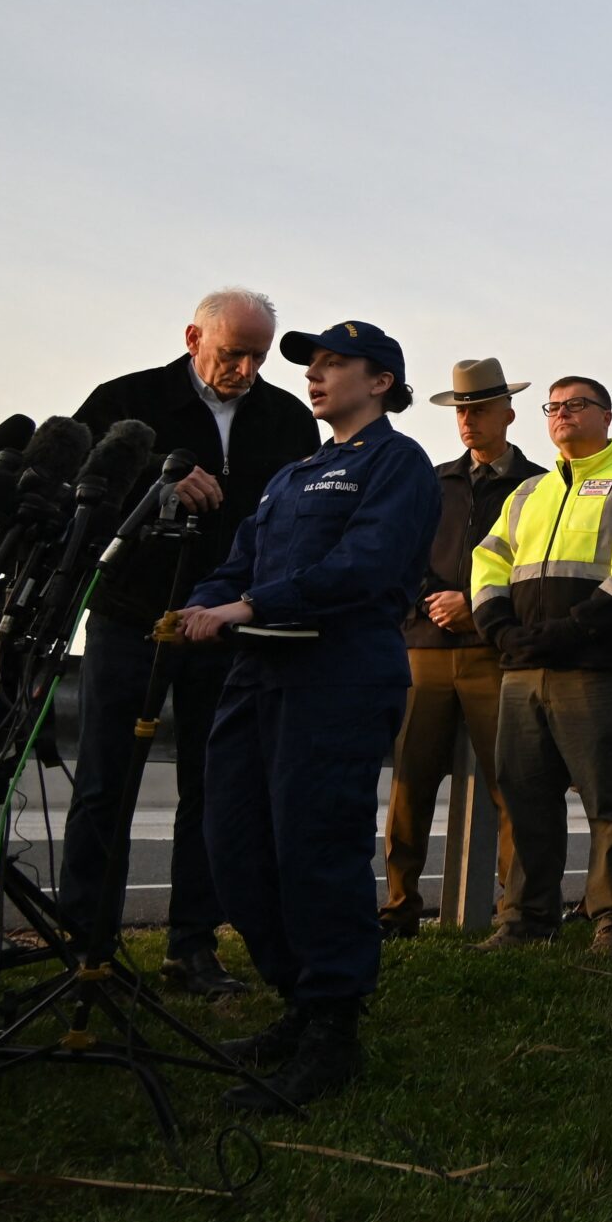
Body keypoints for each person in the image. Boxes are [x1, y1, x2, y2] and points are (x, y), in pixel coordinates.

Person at [176, 320, 440, 1111]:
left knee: (315, 844)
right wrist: (201, 603)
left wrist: (250, 603)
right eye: (313, 366)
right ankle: (298, 997)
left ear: (381, 380)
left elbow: (363, 566)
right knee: (235, 841)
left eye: (334, 364)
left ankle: (333, 1026)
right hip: (257, 673)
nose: (315, 377)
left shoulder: (398, 463)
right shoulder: (297, 473)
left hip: (337, 674)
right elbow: (236, 561)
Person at [61, 287, 318, 997]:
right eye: (232, 352)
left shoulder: (289, 419)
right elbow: (79, 488)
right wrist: (160, 479)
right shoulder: (125, 400)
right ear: (192, 337)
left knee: (215, 787)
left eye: (258, 356)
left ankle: (193, 946)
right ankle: (86, 945)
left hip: (228, 625)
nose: (244, 367)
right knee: (105, 782)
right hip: (131, 615)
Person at [468, 376, 612, 955]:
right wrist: (499, 629)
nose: (561, 415)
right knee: (525, 797)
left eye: (575, 405)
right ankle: (526, 919)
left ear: (607, 416)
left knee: (608, 802)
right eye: (553, 407)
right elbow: (487, 561)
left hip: (601, 670)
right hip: (524, 671)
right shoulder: (528, 493)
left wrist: (574, 628)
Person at [378, 358, 542, 938]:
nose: (468, 420)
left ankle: (515, 910)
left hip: (493, 650)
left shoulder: (539, 485)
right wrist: (433, 602)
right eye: (461, 411)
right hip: (423, 646)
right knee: (410, 783)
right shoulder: (432, 481)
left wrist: (478, 608)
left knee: (512, 782)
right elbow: (403, 552)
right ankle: (398, 907)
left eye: (479, 409)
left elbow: (536, 567)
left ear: (508, 413)